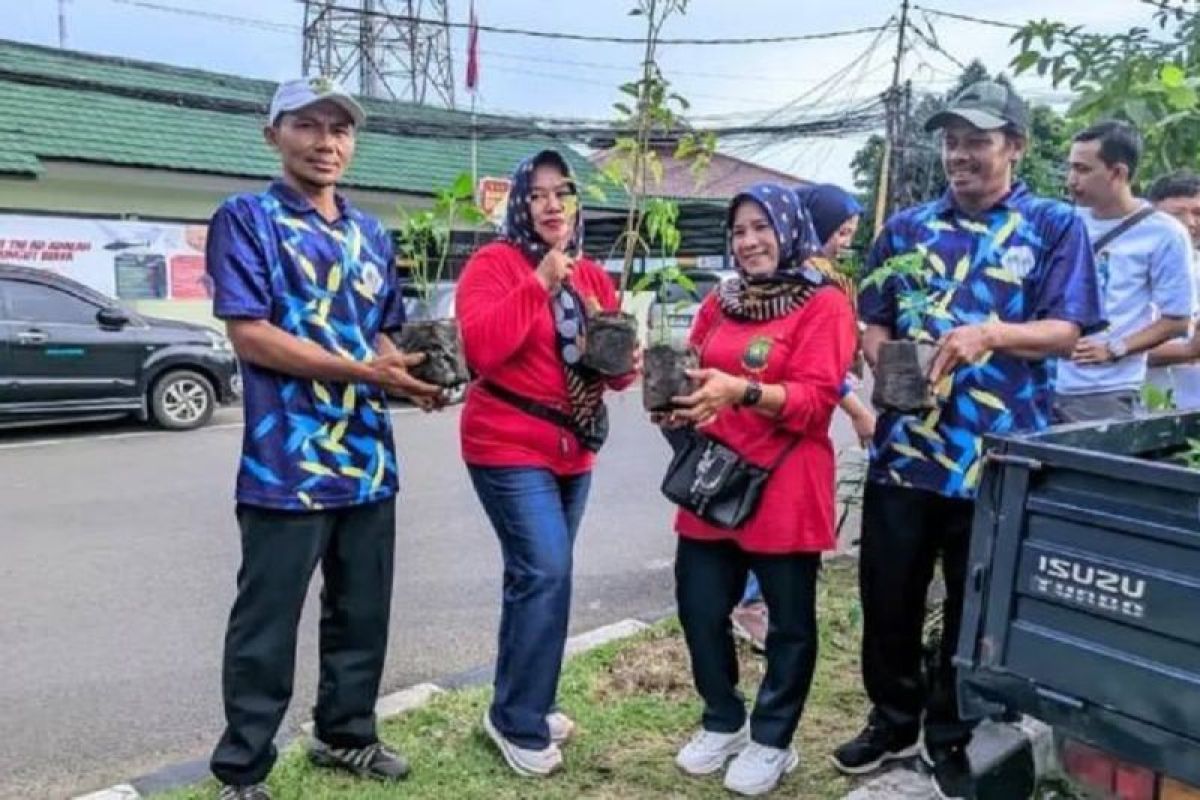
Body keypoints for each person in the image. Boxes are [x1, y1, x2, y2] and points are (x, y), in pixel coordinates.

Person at [831, 81, 1102, 800]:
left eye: (977, 140)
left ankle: (950, 733)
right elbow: (874, 315)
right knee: (888, 595)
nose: (960, 154)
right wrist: (883, 358)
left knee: (971, 604)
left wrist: (993, 335)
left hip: (999, 458)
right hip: (906, 453)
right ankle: (891, 719)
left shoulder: (1053, 226)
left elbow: (1069, 329)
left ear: (1015, 145)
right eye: (951, 140)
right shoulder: (908, 229)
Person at [205, 77, 443, 800]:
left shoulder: (370, 233)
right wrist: (364, 371)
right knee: (266, 625)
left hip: (367, 459)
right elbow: (250, 334)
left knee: (361, 612)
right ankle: (242, 771)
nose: (326, 142)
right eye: (306, 125)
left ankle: (346, 735)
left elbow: (379, 329)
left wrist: (407, 375)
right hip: (286, 464)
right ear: (272, 134)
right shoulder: (246, 219)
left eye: (340, 129)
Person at [664, 183, 856, 797]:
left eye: (761, 228)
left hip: (785, 482)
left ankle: (773, 739)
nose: (749, 242)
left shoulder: (823, 304)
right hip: (715, 478)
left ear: (789, 229)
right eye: (740, 230)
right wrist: (681, 403)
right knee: (699, 609)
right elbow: (697, 364)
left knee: (788, 624)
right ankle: (723, 718)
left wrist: (741, 391)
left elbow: (815, 401)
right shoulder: (721, 300)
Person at [455, 149, 637, 778]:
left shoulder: (592, 277)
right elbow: (480, 348)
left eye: (562, 192)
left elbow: (612, 378)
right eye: (538, 195)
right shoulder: (494, 264)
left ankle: (522, 698)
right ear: (520, 206)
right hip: (506, 444)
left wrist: (623, 357)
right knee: (546, 570)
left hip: (573, 447)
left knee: (540, 577)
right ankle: (516, 721)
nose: (552, 204)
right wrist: (539, 284)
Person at [731, 182, 875, 653]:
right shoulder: (803, 283)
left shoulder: (820, 287)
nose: (843, 242)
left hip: (781, 439)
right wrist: (857, 411)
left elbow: (815, 382)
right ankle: (753, 605)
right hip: (759, 443)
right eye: (841, 232)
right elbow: (817, 381)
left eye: (761, 227)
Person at [1055, 120, 1196, 423]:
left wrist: (1115, 348)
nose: (1071, 179)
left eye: (1083, 169)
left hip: (1104, 390)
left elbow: (1177, 320)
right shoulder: (1063, 220)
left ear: (1117, 173)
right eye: (1071, 168)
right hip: (1045, 382)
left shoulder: (1163, 233)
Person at [1146, 170, 1200, 409]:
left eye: (1198, 213)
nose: (1190, 223)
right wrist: (1188, 350)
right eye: (1177, 214)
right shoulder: (1132, 273)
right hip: (1146, 412)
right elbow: (1112, 351)